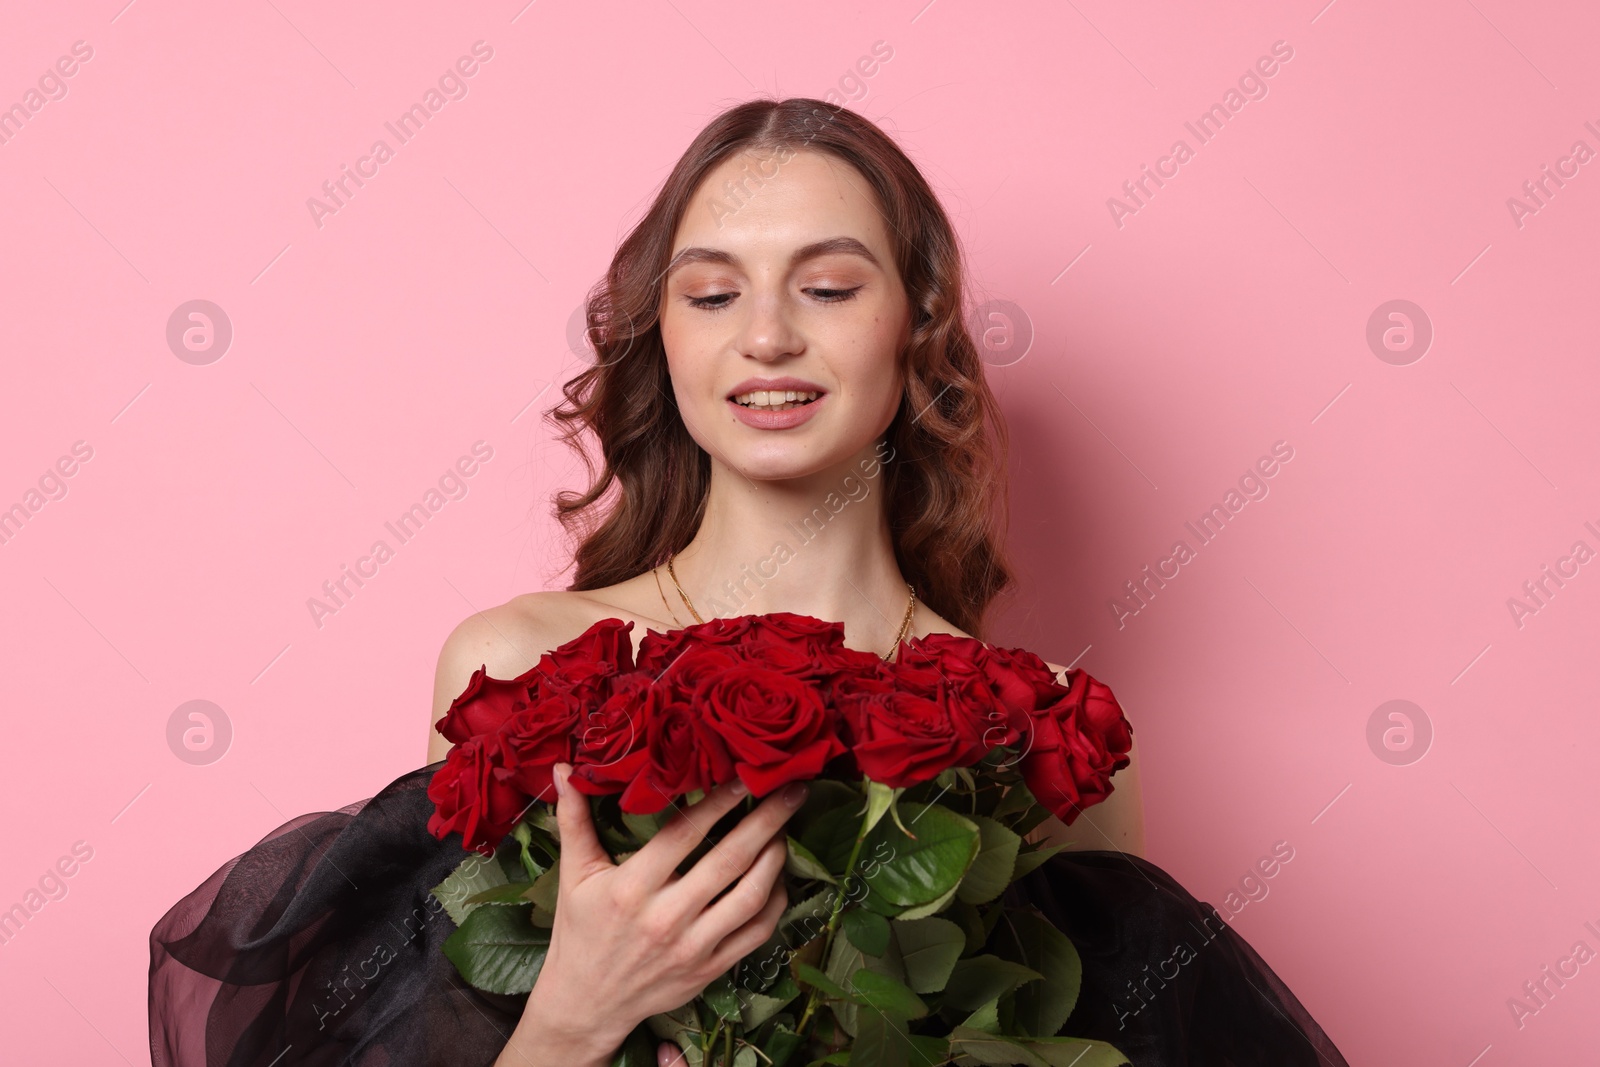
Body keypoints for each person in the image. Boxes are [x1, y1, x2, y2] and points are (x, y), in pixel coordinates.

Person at [149, 98, 1348, 1067]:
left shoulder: (1044, 737)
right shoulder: (511, 670)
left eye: (827, 287)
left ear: (915, 327)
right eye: (714, 293)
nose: (766, 335)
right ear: (662, 340)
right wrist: (572, 1013)